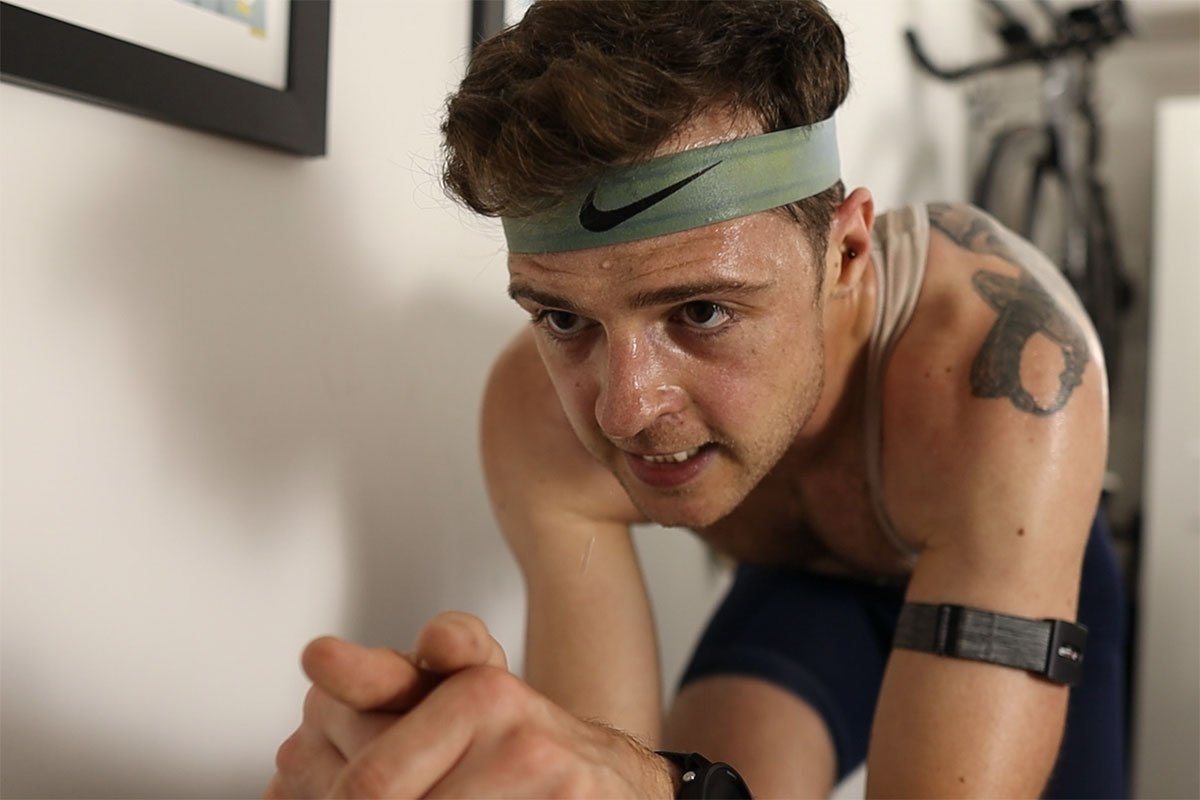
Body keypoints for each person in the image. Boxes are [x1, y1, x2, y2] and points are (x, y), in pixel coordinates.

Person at [265, 1, 1127, 797]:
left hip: (1003, 548)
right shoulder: (537, 415)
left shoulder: (1003, 382)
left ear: (847, 254)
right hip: (800, 581)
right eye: (564, 317)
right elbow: (593, 770)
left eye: (702, 310)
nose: (624, 410)